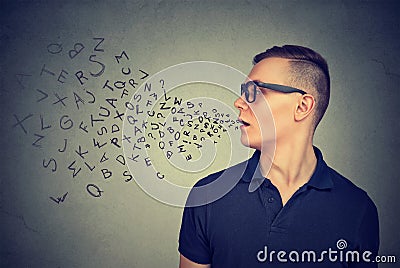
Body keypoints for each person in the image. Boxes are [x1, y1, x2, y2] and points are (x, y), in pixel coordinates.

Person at [178, 45, 379, 267]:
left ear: (302, 106)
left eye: (256, 91)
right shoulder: (208, 195)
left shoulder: (358, 209)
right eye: (243, 91)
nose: (239, 102)